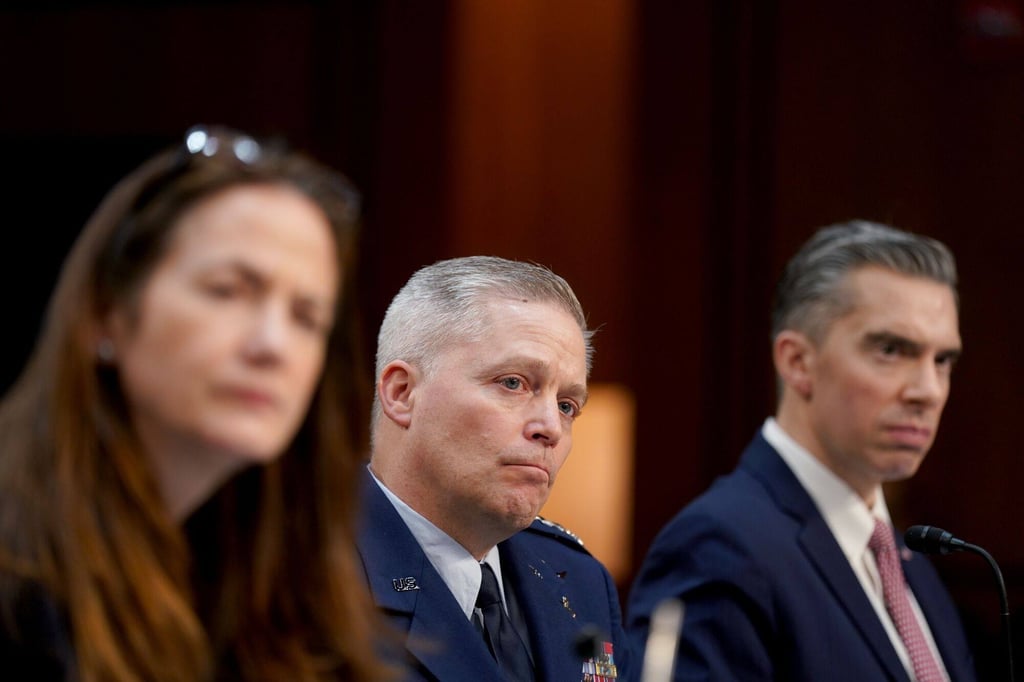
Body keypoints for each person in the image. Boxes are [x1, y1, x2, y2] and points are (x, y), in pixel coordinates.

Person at [0, 124, 391, 681]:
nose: (272, 345)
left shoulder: (282, 589)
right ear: (106, 311)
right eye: (228, 290)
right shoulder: (19, 591)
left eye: (307, 318)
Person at [626, 220, 976, 681]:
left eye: (943, 360)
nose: (928, 390)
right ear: (797, 362)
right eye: (891, 349)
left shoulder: (913, 561)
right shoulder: (717, 546)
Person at [358, 256, 633, 681]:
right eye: (513, 383)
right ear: (402, 393)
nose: (550, 428)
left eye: (566, 406)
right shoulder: (310, 575)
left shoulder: (579, 579)